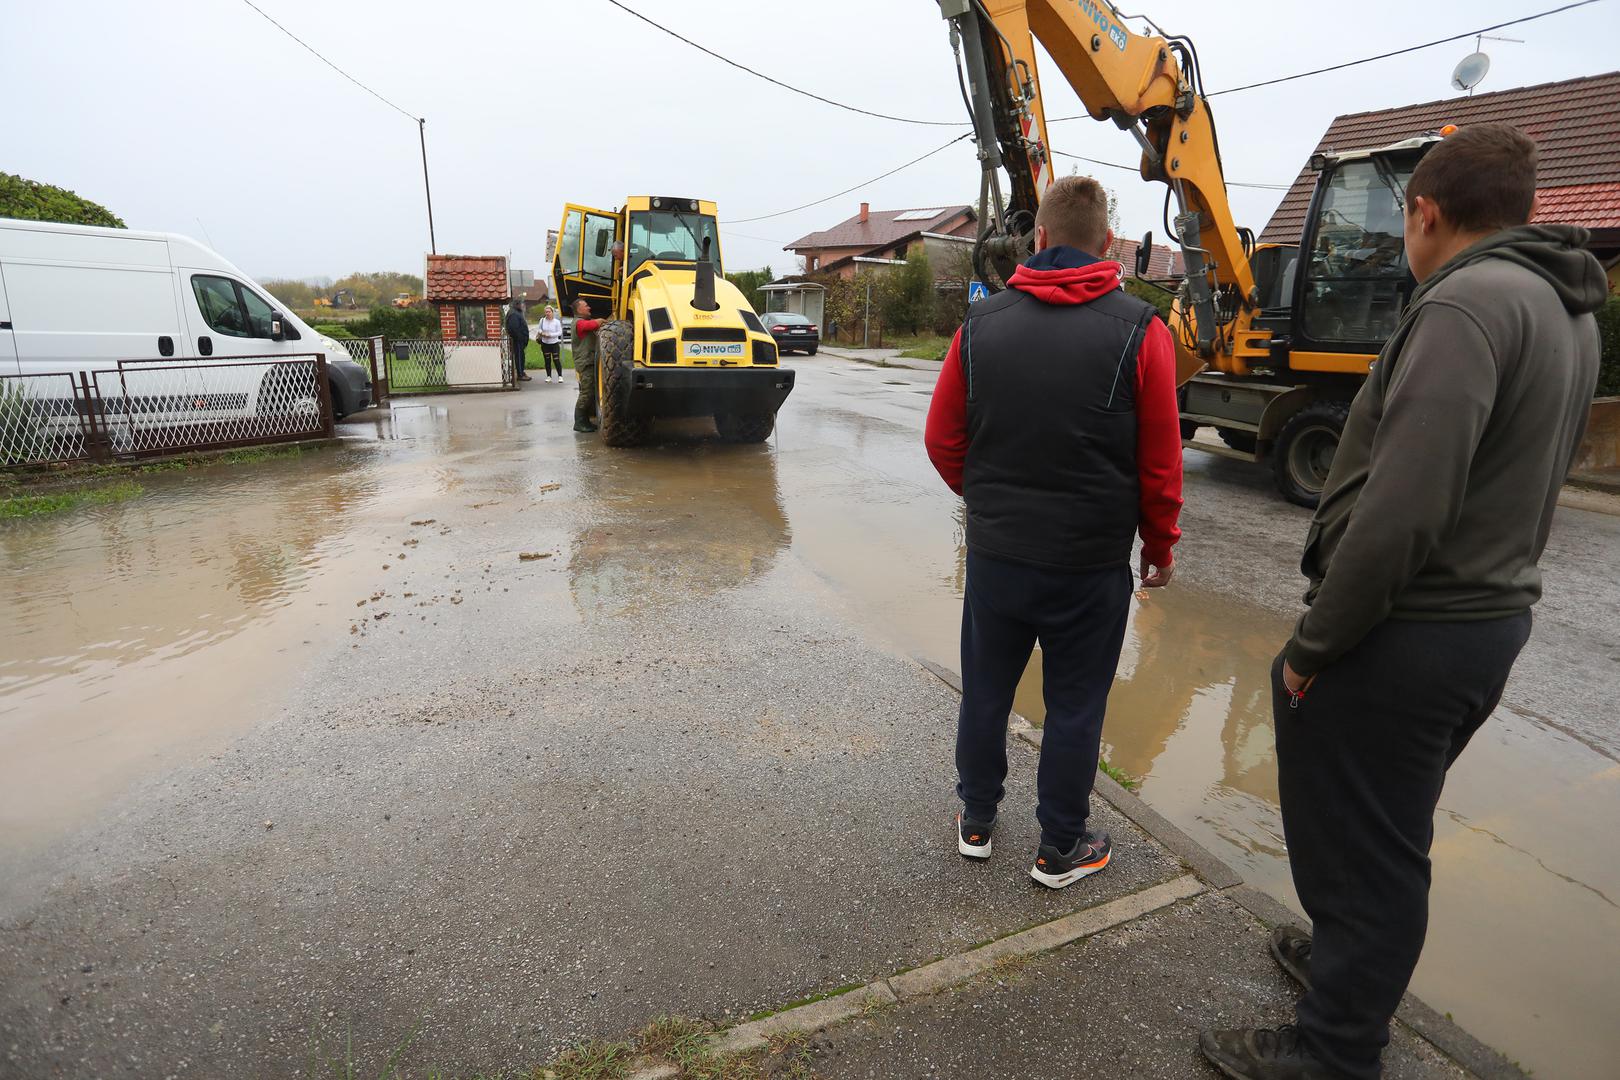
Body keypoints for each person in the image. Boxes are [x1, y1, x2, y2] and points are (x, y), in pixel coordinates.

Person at [1199, 124, 1605, 1080]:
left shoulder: (1464, 307)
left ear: (1424, 212)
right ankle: (1346, 963)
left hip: (1411, 631)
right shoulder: (1566, 308)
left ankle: (1335, 1051)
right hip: (1487, 622)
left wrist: (1313, 644)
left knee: (1369, 846)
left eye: (1404, 223)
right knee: (1385, 826)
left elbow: (1405, 508)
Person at [924, 174, 1183, 890]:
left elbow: (942, 439)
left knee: (986, 690)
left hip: (1001, 558)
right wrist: (1159, 546)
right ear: (1108, 244)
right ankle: (1060, 848)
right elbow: (1160, 461)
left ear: (1037, 239)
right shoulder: (1142, 331)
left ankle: (976, 821)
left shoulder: (980, 327)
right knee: (1075, 706)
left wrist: (988, 504)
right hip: (1089, 567)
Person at [571, 298, 602, 433]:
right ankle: (579, 422)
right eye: (586, 306)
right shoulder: (579, 323)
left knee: (590, 391)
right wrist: (600, 321)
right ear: (579, 309)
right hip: (585, 362)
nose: (589, 308)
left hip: (588, 361)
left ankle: (586, 421)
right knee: (586, 392)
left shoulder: (580, 322)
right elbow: (590, 326)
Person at [505, 298, 531, 383]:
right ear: (517, 304)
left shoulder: (516, 312)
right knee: (519, 357)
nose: (522, 305)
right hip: (517, 341)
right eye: (521, 304)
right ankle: (520, 375)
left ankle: (522, 372)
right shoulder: (513, 314)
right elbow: (514, 329)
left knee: (521, 357)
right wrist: (521, 338)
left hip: (520, 341)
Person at [537, 305, 565, 383]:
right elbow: (539, 329)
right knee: (547, 360)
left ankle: (560, 376)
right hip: (545, 343)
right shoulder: (542, 320)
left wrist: (550, 335)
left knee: (556, 360)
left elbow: (560, 332)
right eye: (546, 312)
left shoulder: (556, 322)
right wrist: (542, 333)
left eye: (549, 312)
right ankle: (549, 376)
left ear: (552, 312)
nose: (547, 313)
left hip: (554, 343)